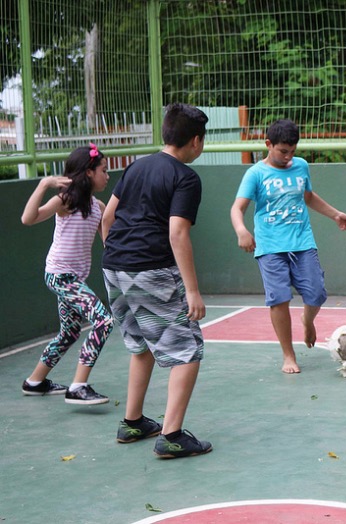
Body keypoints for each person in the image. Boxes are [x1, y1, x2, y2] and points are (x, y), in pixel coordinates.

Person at [102, 103, 212, 459]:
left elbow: (108, 216)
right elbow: (177, 233)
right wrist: (192, 290)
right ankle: (172, 435)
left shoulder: (136, 166)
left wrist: (120, 257)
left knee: (141, 345)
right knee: (187, 350)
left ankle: (132, 422)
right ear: (195, 141)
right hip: (150, 268)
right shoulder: (185, 177)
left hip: (113, 266)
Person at [230, 119, 346, 374]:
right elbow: (237, 208)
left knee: (317, 293)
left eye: (292, 151)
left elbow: (307, 196)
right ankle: (288, 355)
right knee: (279, 299)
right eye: (282, 151)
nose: (288, 157)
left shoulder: (301, 166)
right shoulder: (255, 174)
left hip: (302, 242)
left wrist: (335, 214)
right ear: (268, 144)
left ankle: (307, 321)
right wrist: (241, 230)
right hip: (270, 247)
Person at [20, 144, 113, 405]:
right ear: (88, 173)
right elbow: (28, 219)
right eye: (103, 170)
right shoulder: (65, 201)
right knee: (103, 321)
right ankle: (78, 386)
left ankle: (35, 382)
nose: (107, 176)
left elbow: (110, 243)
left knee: (70, 332)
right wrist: (43, 185)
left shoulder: (98, 207)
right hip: (60, 276)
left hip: (74, 280)